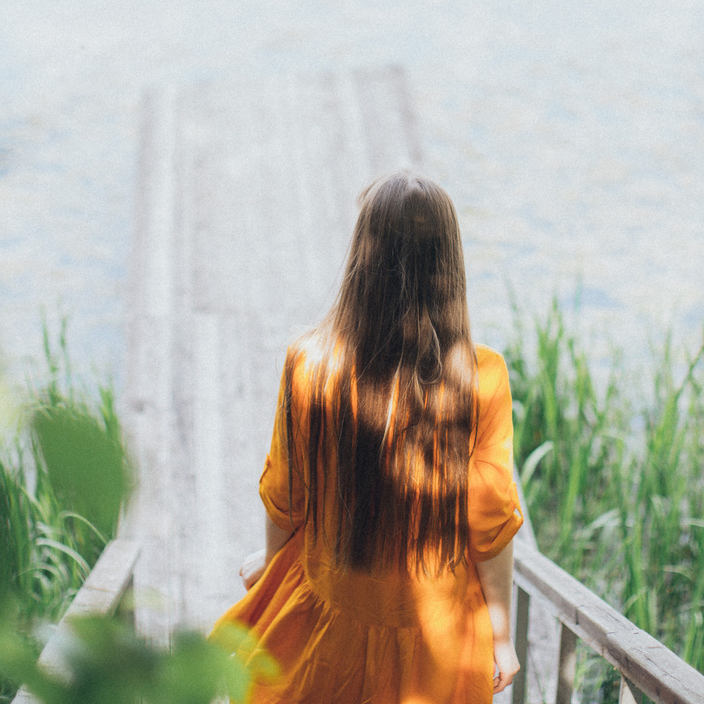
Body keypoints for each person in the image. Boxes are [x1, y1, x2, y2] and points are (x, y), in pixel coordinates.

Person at [212, 171, 524, 704]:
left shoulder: (310, 365)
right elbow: (489, 526)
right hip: (435, 643)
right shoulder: (482, 377)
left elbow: (287, 498)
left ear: (363, 260)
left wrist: (273, 565)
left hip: (330, 623)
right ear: (449, 266)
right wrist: (502, 639)